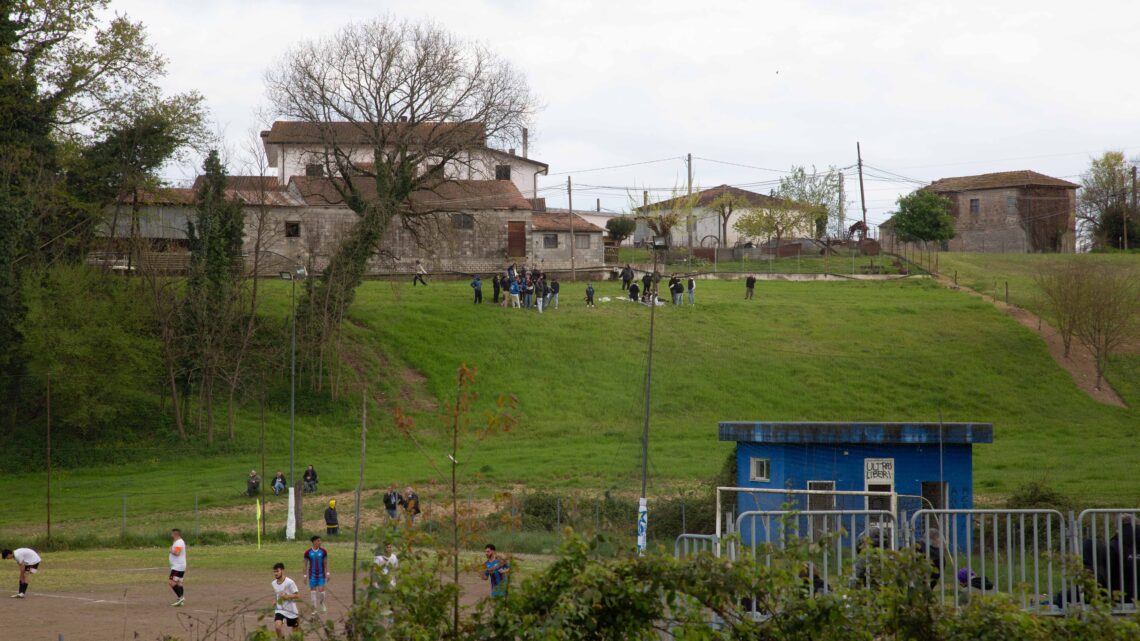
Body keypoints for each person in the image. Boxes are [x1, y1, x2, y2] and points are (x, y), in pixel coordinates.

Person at [271, 562, 301, 638]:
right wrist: (276, 601)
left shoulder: (290, 582)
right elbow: (278, 594)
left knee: (295, 634)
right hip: (280, 609)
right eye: (274, 571)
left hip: (291, 610)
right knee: (277, 628)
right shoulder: (274, 583)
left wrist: (287, 596)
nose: (275, 573)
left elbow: (297, 595)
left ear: (282, 571)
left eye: (277, 571)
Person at [303, 535, 330, 612]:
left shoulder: (323, 551)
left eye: (320, 540)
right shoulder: (307, 552)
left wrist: (328, 573)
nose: (320, 542)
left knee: (321, 592)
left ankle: (322, 603)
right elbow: (305, 564)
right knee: (313, 592)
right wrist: (305, 575)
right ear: (314, 542)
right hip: (312, 575)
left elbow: (326, 563)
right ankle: (314, 609)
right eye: (318, 541)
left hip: (321, 575)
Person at [168, 528, 187, 607]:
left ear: (175, 534)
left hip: (177, 567)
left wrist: (170, 550)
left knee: (171, 582)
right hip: (180, 565)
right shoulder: (178, 542)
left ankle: (180, 598)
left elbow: (177, 553)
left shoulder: (179, 543)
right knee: (179, 583)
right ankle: (181, 601)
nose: (171, 535)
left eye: (172, 533)